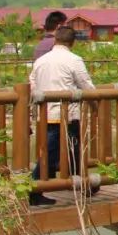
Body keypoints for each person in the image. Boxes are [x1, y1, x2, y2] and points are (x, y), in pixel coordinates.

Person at [28, 26, 96, 206]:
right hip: (66, 114)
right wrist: (95, 104)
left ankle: (81, 182)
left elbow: (32, 85)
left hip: (45, 112)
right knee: (54, 152)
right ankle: (33, 189)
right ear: (72, 42)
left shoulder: (41, 61)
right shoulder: (74, 60)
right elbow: (86, 85)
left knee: (69, 149)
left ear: (55, 39)